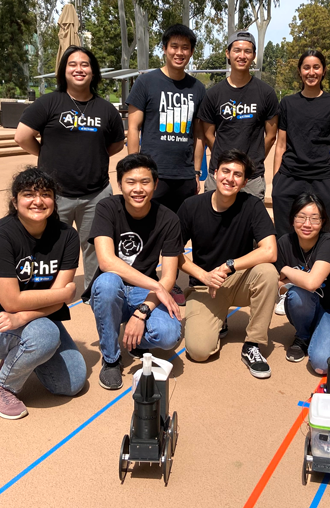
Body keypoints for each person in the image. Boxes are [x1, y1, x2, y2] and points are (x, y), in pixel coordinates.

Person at [0, 168, 87, 420]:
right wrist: (62, 295)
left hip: (30, 316)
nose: (38, 201)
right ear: (15, 201)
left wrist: (24, 316)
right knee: (46, 334)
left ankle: (21, 355)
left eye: (46, 194)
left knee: (70, 384)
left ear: (54, 201)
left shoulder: (67, 236)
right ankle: (2, 385)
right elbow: (13, 300)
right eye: (28, 194)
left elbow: (60, 296)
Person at [15, 46, 126, 289]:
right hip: (55, 194)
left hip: (95, 194)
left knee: (95, 246)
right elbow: (22, 137)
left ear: (93, 72)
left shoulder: (106, 109)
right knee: (49, 244)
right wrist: (45, 153)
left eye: (85, 64)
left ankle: (93, 291)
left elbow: (117, 143)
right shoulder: (49, 102)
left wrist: (93, 154)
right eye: (72, 64)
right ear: (63, 71)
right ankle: (45, 291)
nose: (79, 69)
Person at [83, 154, 182, 390]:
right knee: (107, 283)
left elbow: (168, 276)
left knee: (169, 336)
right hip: (114, 284)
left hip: (143, 290)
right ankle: (111, 359)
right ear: (120, 184)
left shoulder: (169, 219)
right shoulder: (107, 207)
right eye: (130, 182)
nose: (138, 189)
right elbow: (107, 261)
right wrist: (157, 285)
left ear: (156, 184)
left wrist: (142, 312)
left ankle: (135, 339)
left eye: (145, 182)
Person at [177, 149, 278, 378]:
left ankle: (253, 345)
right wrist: (203, 275)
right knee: (199, 351)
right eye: (225, 171)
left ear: (244, 182)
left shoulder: (252, 206)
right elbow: (174, 254)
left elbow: (270, 250)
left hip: (239, 278)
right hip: (206, 285)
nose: (230, 178)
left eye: (237, 174)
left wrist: (229, 266)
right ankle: (218, 319)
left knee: (268, 272)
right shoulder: (191, 207)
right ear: (215, 173)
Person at [126, 23, 206, 306]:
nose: (179, 52)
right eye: (174, 46)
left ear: (191, 53)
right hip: (152, 174)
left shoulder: (198, 87)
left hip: (184, 174)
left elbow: (198, 134)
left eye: (185, 48)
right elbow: (133, 127)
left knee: (179, 234)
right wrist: (134, 170)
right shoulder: (146, 82)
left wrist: (197, 172)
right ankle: (141, 283)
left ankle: (170, 283)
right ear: (164, 49)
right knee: (145, 230)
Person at [275, 193, 330, 372]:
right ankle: (303, 336)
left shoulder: (329, 242)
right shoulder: (285, 242)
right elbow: (277, 284)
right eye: (301, 217)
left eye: (314, 219)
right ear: (292, 219)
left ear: (323, 221)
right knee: (296, 294)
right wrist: (292, 280)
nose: (307, 224)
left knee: (321, 365)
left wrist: (287, 270)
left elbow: (312, 283)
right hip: (308, 305)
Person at [272, 50, 330, 237]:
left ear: (323, 71)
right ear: (300, 71)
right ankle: (285, 265)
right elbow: (280, 144)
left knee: (320, 234)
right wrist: (276, 179)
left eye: (316, 67)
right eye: (306, 67)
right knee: (285, 234)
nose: (311, 72)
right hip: (289, 176)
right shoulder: (288, 103)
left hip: (322, 178)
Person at [198, 31, 278, 201]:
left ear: (254, 55)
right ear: (228, 53)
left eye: (248, 51)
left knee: (250, 226)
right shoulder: (213, 94)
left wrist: (251, 161)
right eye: (237, 50)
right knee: (212, 224)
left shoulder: (266, 93)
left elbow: (271, 136)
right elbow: (207, 135)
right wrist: (225, 159)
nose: (242, 56)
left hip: (252, 177)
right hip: (219, 175)